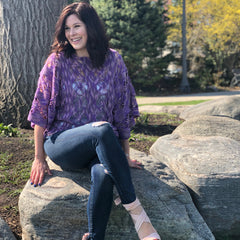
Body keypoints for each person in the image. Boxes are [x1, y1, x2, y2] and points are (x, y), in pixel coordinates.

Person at [28, 2, 161, 240]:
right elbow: (40, 111)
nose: (72, 34)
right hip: (62, 142)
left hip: (99, 146)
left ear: (90, 27)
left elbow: (122, 112)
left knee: (103, 173)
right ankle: (136, 211)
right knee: (101, 129)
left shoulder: (113, 61)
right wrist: (39, 158)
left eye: (77, 26)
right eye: (67, 29)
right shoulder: (57, 62)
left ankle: (94, 236)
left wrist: (122, 156)